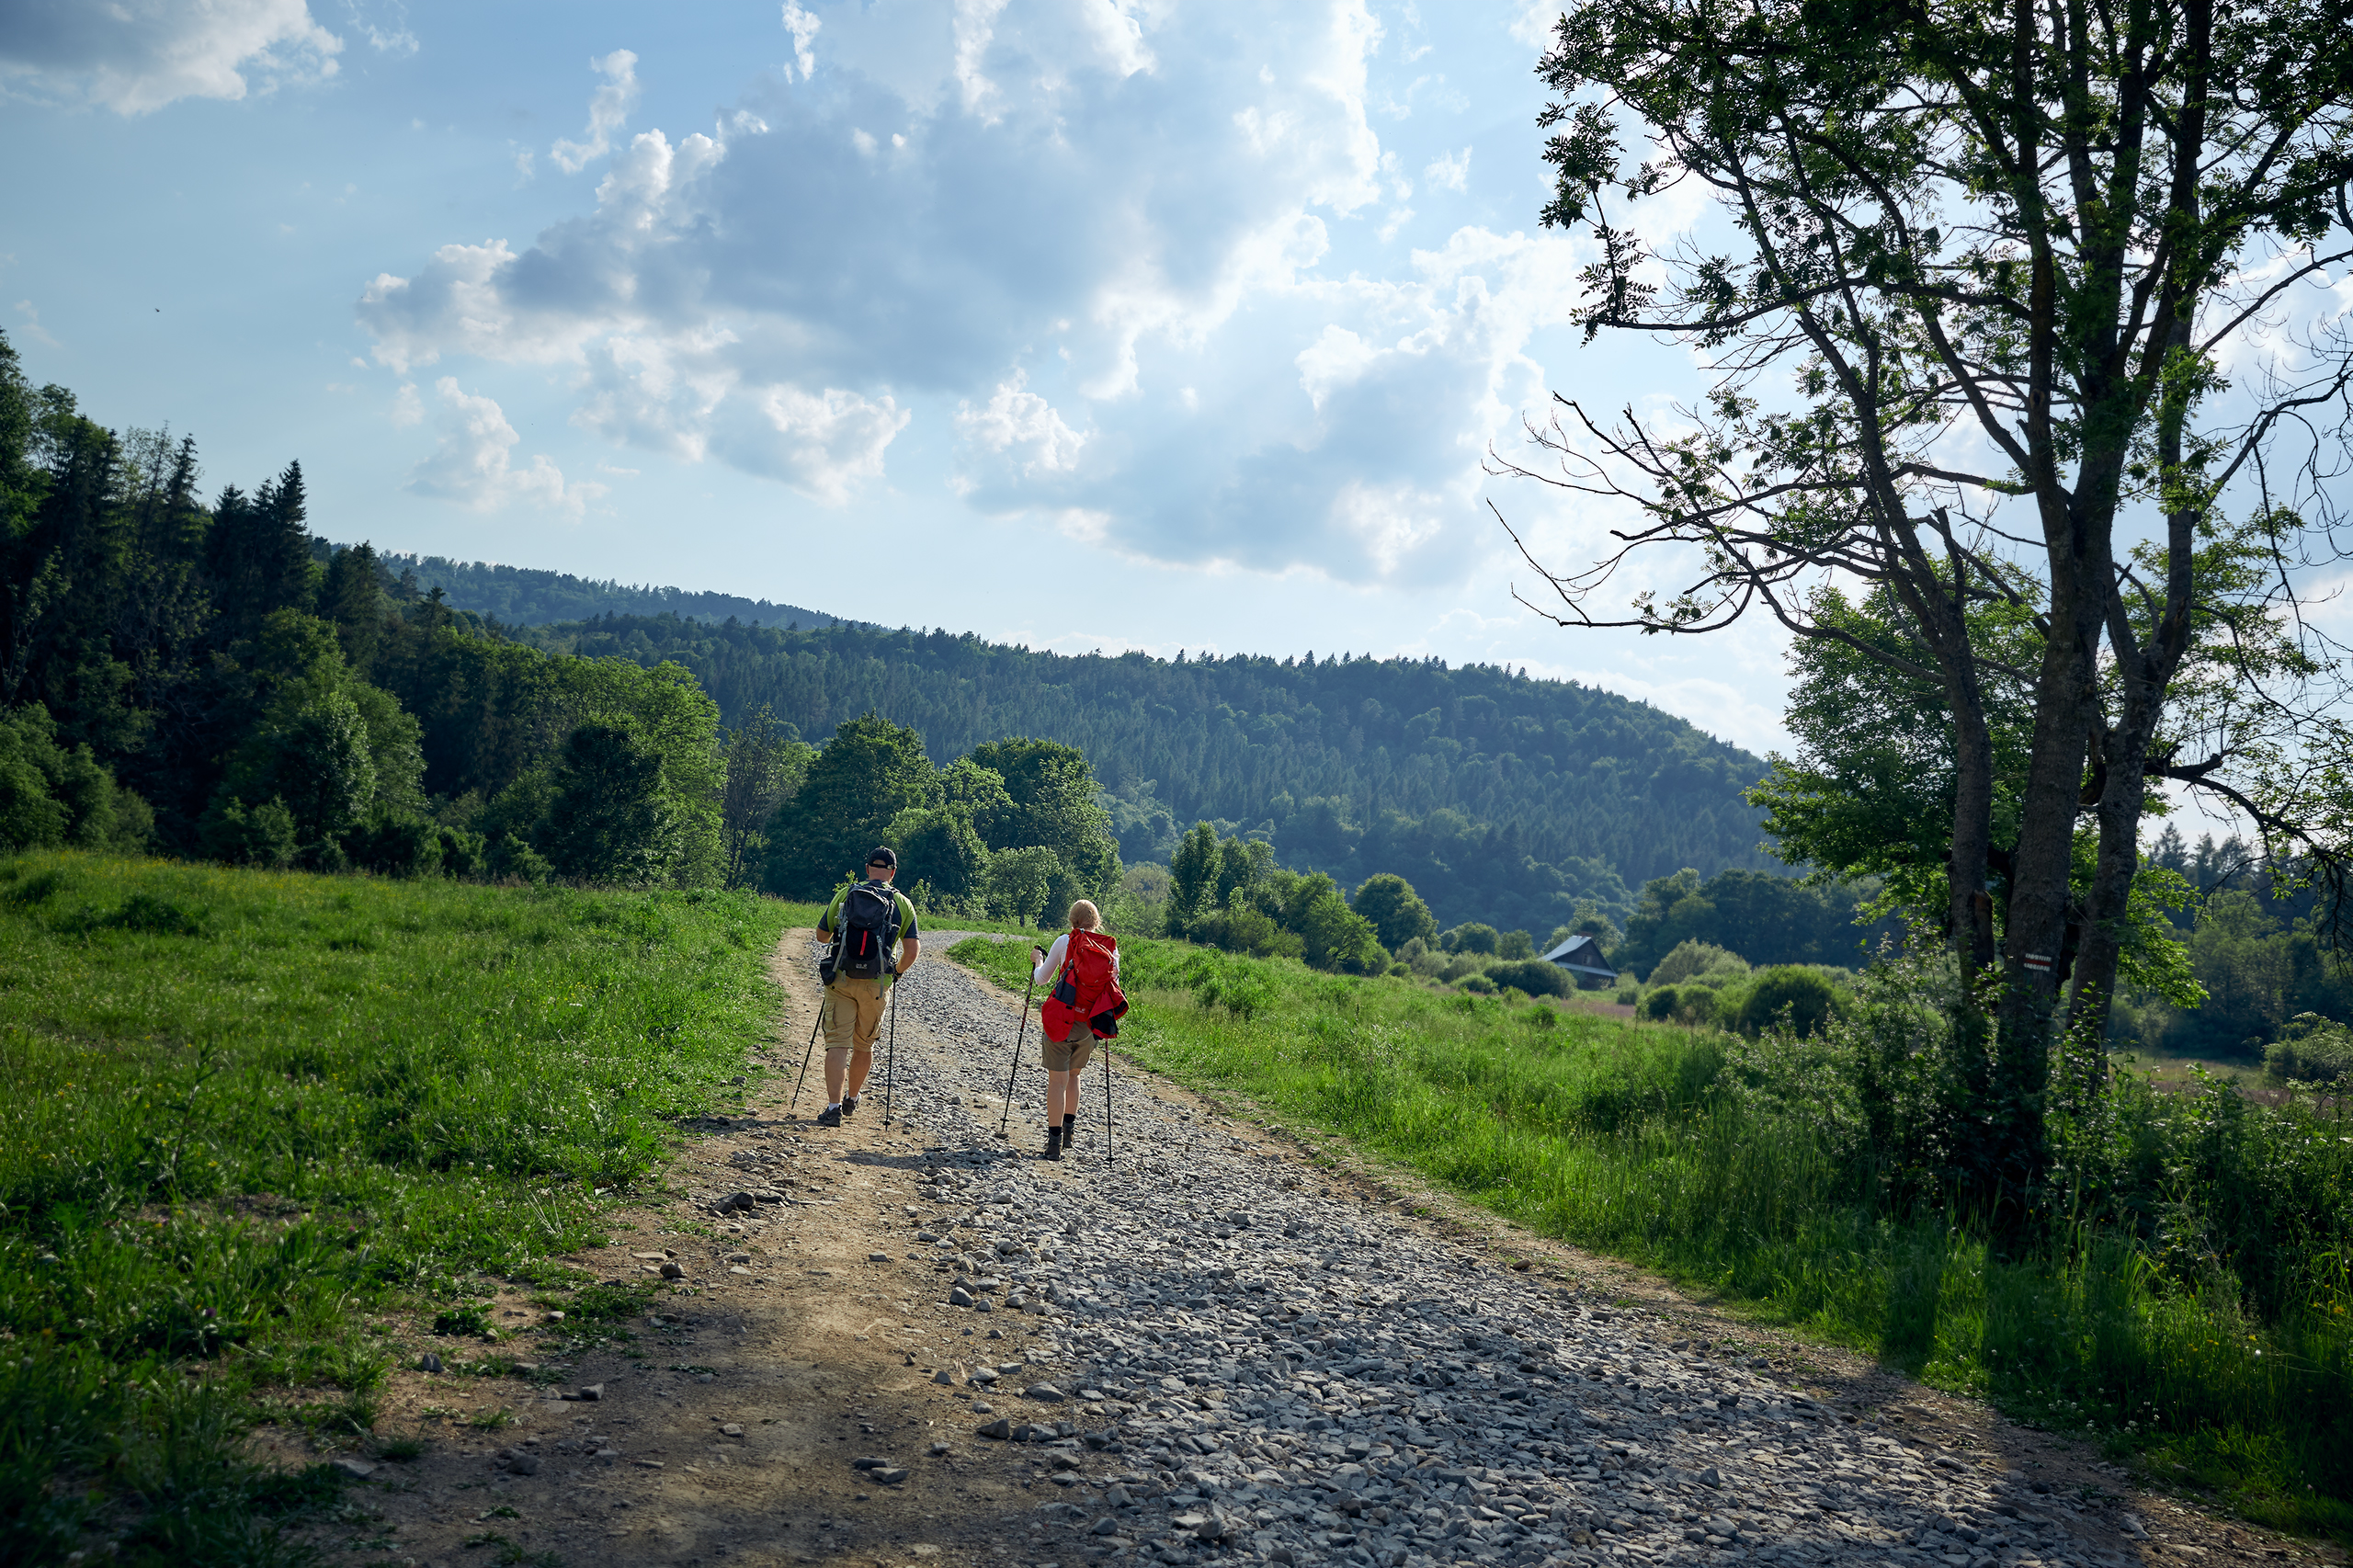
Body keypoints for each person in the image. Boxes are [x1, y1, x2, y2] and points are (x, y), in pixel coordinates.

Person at [813, 846, 920, 1130]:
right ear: (893, 872)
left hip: (841, 979)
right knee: (864, 1044)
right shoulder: (903, 903)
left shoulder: (846, 894)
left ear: (867, 868)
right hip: (877, 984)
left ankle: (833, 1108)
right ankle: (852, 1098)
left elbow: (822, 936)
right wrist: (896, 972)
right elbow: (912, 951)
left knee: (837, 1043)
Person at [1030, 899, 1122, 1161]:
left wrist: (1038, 960)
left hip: (1062, 1020)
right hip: (1089, 1025)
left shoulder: (1064, 941)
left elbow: (1041, 980)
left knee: (1057, 1082)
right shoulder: (1110, 949)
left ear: (1072, 920)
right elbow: (1113, 985)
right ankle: (1069, 1135)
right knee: (1074, 1076)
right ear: (1096, 921)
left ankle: (1053, 1144)